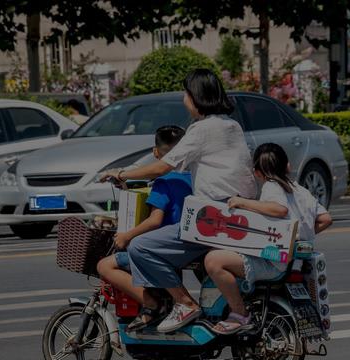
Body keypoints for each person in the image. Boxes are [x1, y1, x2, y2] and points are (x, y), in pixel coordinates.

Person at [99, 68, 256, 333]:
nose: (184, 99)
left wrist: (121, 172)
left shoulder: (201, 129)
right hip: (238, 215)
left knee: (140, 247)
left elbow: (162, 167)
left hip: (212, 218)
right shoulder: (232, 125)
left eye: (186, 93)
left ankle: (183, 302)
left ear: (196, 97)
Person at [203, 143, 333, 335]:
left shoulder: (271, 187)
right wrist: (299, 237)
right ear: (287, 166)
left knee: (213, 261)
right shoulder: (300, 190)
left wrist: (242, 202)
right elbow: (326, 219)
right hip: (290, 261)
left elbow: (279, 209)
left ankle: (239, 313)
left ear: (256, 172)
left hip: (273, 263)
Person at [96, 125, 191, 331]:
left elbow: (155, 220)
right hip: (189, 244)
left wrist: (126, 235)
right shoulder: (194, 178)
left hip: (165, 247)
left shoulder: (162, 181)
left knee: (104, 266)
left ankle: (151, 304)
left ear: (156, 153)